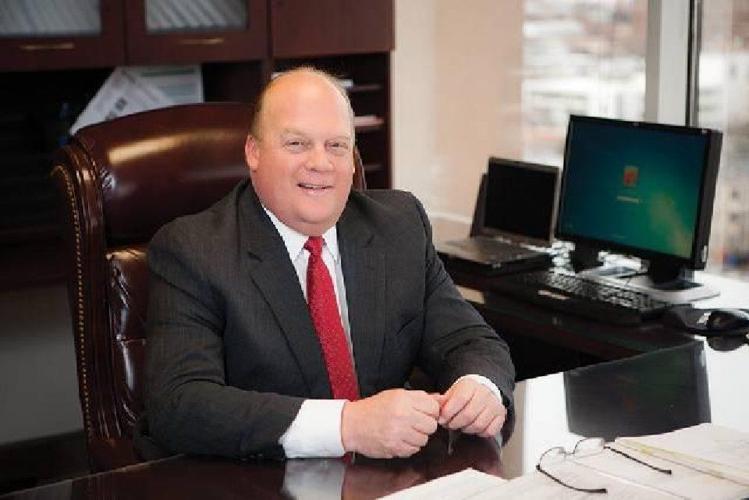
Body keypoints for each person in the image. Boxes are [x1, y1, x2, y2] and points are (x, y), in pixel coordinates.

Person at [136, 67, 515, 461]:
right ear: (253, 152)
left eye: (337, 146)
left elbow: (470, 340)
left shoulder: (399, 225)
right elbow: (180, 404)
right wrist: (346, 426)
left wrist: (480, 386)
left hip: (383, 476)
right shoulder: (193, 250)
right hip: (259, 479)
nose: (320, 163)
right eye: (297, 143)